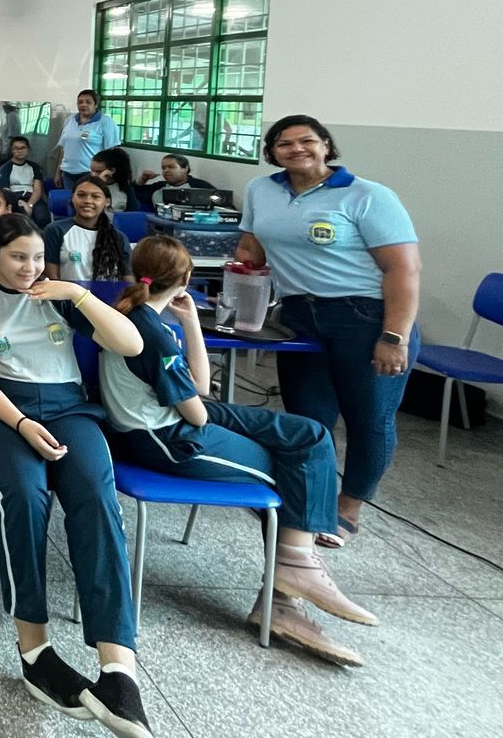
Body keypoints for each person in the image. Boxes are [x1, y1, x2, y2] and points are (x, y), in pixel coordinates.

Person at [100, 235, 375, 666]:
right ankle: (285, 596)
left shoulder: (139, 315)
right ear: (187, 279)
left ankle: (293, 569)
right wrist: (186, 346)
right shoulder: (149, 334)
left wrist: (190, 324)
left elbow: (201, 390)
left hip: (176, 420)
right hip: (171, 440)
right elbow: (197, 413)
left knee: (311, 436)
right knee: (296, 466)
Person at [0, 213, 153, 737]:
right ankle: (35, 649)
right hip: (3, 409)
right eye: (18, 256)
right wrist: (21, 423)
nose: (29, 267)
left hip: (69, 407)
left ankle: (117, 668)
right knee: (23, 496)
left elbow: (131, 344)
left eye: (38, 257)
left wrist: (76, 293)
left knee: (96, 498)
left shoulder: (63, 297)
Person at [235, 115, 420, 547]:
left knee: (369, 418)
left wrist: (395, 336)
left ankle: (347, 509)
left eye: (307, 141)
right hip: (299, 316)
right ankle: (308, 504)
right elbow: (252, 246)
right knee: (308, 419)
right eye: (284, 143)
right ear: (272, 152)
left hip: (365, 316)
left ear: (327, 146)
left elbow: (403, 269)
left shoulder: (367, 196)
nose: (296, 149)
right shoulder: (262, 189)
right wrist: (240, 270)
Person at [44, 176, 132, 283]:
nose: (88, 201)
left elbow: (128, 277)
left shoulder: (119, 237)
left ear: (107, 202)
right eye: (81, 195)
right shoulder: (55, 230)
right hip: (68, 297)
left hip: (109, 297)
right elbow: (52, 277)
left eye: (96, 197)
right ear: (72, 198)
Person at [57, 91, 121, 189]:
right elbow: (62, 149)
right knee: (71, 202)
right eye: (80, 102)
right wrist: (58, 172)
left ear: (95, 105)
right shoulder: (70, 120)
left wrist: (106, 175)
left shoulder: (106, 122)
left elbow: (112, 152)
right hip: (68, 173)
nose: (83, 105)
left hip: (91, 173)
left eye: (88, 102)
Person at [0, 136, 49, 221]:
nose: (20, 151)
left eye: (23, 148)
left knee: (42, 216)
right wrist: (18, 202)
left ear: (28, 149)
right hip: (14, 198)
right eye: (16, 148)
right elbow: (5, 190)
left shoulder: (34, 167)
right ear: (11, 150)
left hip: (33, 198)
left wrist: (29, 205)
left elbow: (37, 189)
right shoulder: (5, 168)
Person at [135, 154, 216, 210]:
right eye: (163, 168)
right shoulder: (158, 188)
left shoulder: (200, 186)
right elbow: (133, 193)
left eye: (171, 167)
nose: (166, 171)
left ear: (185, 168)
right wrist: (143, 179)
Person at [89, 148, 140, 212]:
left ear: (112, 170)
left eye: (99, 172)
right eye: (92, 170)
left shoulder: (125, 189)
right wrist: (99, 184)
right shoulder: (86, 185)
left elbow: (133, 214)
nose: (93, 175)